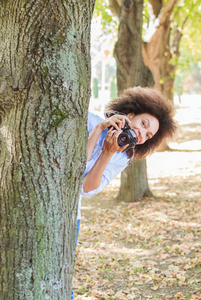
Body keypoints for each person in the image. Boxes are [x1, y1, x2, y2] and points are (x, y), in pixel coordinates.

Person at [71, 86, 177, 299]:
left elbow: (85, 188)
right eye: (143, 124)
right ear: (130, 115)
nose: (142, 134)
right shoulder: (90, 121)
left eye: (148, 135)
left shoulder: (123, 155)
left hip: (71, 216)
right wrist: (98, 130)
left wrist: (107, 154)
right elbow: (73, 166)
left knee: (61, 281)